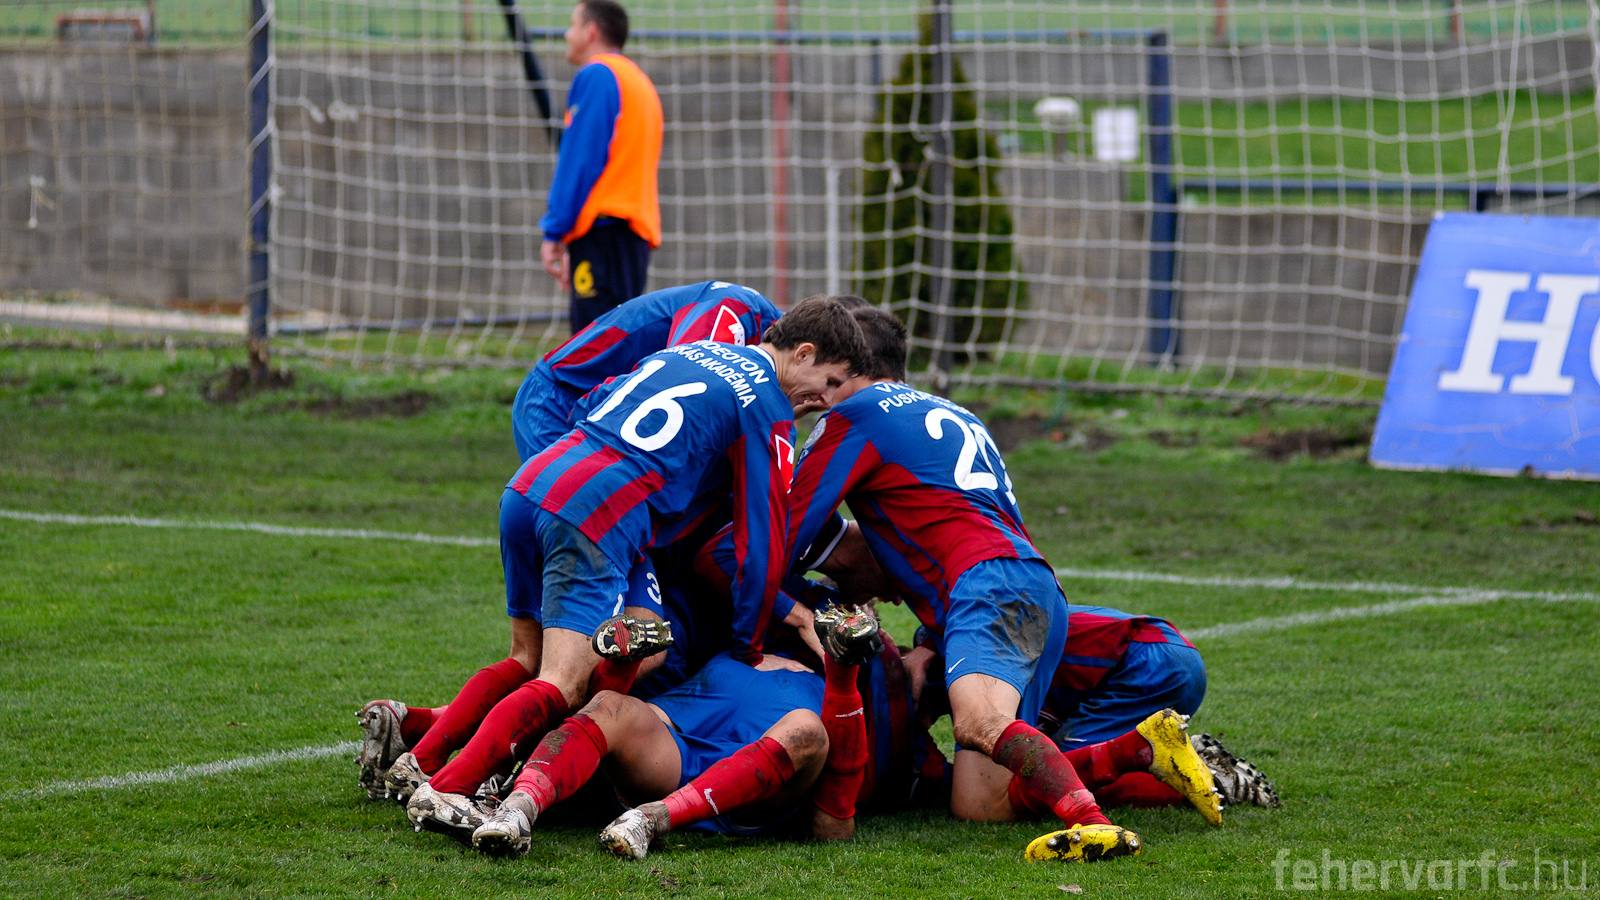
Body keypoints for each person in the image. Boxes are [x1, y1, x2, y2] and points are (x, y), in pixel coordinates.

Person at [401, 298, 869, 835]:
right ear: (802, 352)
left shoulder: (692, 349)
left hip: (534, 482)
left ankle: (420, 762)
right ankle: (449, 788)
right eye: (829, 382)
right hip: (598, 513)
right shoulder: (768, 405)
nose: (824, 400)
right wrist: (748, 650)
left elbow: (594, 400)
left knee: (526, 659)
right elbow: (759, 545)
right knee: (564, 682)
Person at [782, 307, 1218, 861]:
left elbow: (786, 527)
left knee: (980, 722)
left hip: (987, 588)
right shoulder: (953, 413)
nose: (818, 396)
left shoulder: (854, 415)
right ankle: (1160, 764)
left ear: (848, 367)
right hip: (1026, 581)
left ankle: (1093, 818)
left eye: (827, 377)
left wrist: (773, 600)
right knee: (981, 803)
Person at [512, 280, 782, 461]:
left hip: (605, 407)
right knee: (568, 514)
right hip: (561, 398)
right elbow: (675, 378)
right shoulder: (735, 312)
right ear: (802, 352)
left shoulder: (762, 339)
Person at [541, 0, 663, 332]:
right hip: (630, 235)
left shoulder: (597, 75)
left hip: (604, 233)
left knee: (592, 347)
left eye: (572, 25)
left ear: (590, 32)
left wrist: (555, 229)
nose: (566, 34)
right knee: (619, 342)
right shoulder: (637, 81)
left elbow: (580, 159)